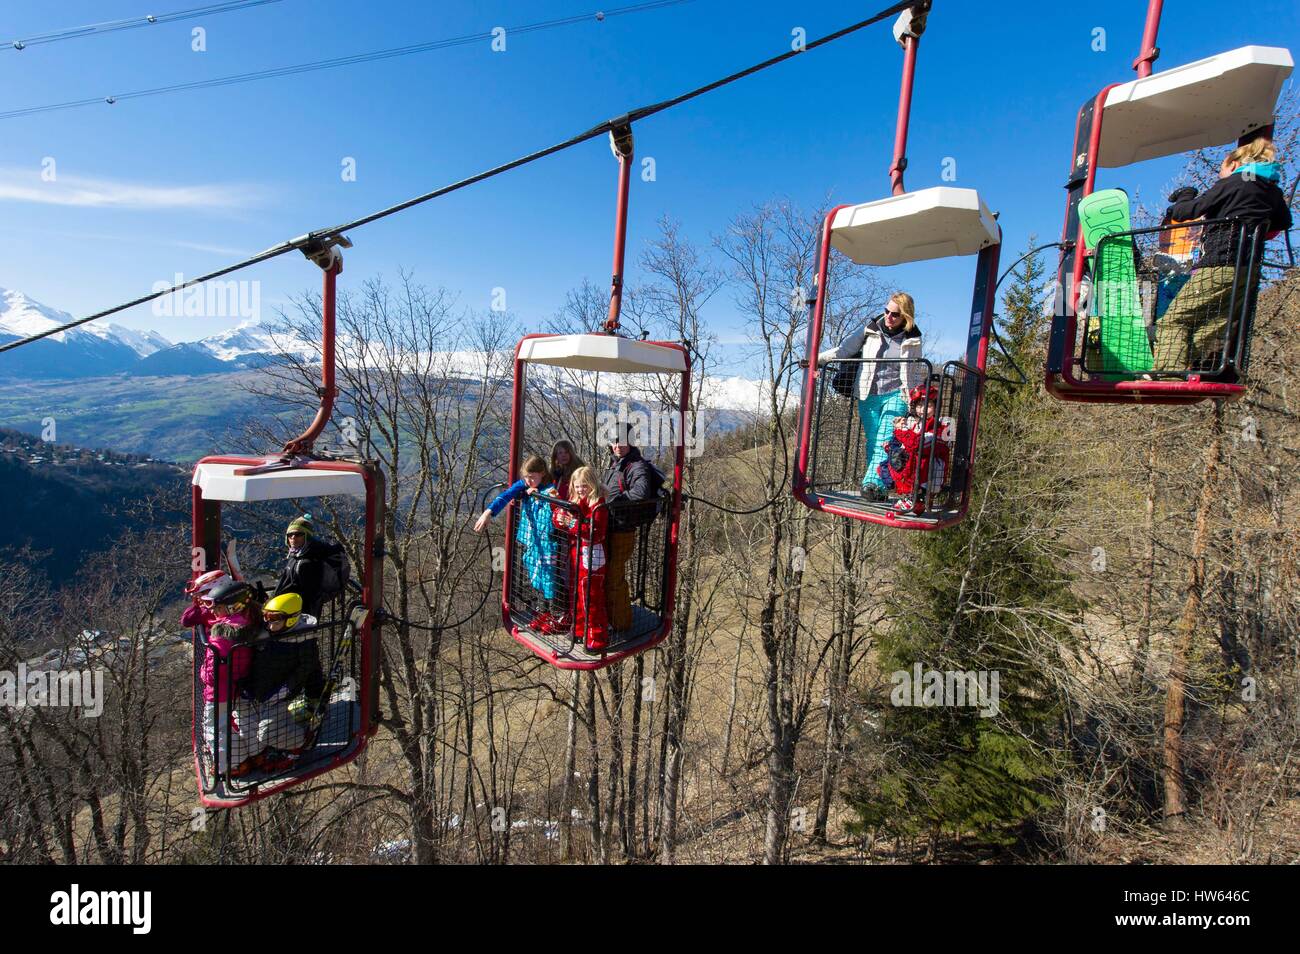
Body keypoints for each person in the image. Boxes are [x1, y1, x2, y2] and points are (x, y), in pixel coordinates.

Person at [1153, 138, 1292, 378]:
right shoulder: (1272, 189)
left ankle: (1166, 373)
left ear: (1235, 163)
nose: (1220, 174)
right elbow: (1283, 221)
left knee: (1174, 320)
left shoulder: (1235, 181)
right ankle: (1179, 366)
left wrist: (1184, 197)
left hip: (1219, 263)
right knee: (1210, 324)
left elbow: (1189, 211)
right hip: (1248, 269)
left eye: (1222, 168)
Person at [818, 292, 926, 501]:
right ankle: (880, 487)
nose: (888, 317)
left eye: (895, 314)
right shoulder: (870, 330)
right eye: (886, 311)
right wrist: (817, 359)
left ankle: (870, 484)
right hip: (868, 394)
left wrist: (915, 399)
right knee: (873, 440)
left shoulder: (912, 340)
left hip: (896, 395)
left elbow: (913, 371)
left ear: (905, 316)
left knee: (885, 439)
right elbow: (844, 350)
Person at [475, 455, 561, 629]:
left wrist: (540, 497)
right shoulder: (525, 484)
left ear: (542, 474)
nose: (529, 481)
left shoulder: (550, 490)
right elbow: (506, 495)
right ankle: (541, 612)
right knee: (535, 576)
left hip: (546, 543)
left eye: (532, 477)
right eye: (526, 477)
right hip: (532, 542)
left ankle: (553, 615)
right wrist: (488, 513)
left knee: (548, 577)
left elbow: (557, 504)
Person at [248, 592, 323, 772]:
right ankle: (284, 742)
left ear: (290, 620)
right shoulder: (272, 635)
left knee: (265, 733)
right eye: (267, 618)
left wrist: (285, 690)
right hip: (261, 693)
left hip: (279, 694)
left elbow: (307, 669)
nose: (269, 623)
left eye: (275, 620)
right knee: (254, 728)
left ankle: (301, 740)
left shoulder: (301, 641)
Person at [602, 424, 664, 632]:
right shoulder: (616, 464)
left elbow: (640, 494)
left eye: (623, 441)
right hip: (610, 527)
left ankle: (621, 624)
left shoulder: (636, 466)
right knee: (608, 575)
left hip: (623, 529)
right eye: (615, 441)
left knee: (614, 577)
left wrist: (614, 501)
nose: (619, 445)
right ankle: (611, 618)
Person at [200, 579, 258, 780]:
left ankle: (233, 764)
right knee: (245, 720)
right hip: (239, 684)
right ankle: (256, 755)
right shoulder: (250, 621)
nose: (213, 611)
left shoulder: (220, 637)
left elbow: (211, 673)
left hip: (219, 690)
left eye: (218, 607)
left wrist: (202, 671)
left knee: (214, 728)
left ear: (232, 607)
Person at [554, 466, 610, 652]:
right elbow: (566, 520)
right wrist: (560, 517)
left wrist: (571, 523)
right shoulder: (578, 501)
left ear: (592, 485)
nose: (580, 490)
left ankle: (598, 636)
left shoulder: (598, 504)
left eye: (584, 486)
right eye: (577, 486)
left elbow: (596, 533)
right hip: (578, 555)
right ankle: (579, 629)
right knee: (577, 594)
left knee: (591, 597)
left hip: (592, 557)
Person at [879, 381, 952, 514]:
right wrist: (891, 448)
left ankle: (916, 498)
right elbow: (909, 445)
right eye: (919, 406)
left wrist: (901, 431)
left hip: (931, 467)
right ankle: (914, 498)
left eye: (928, 406)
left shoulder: (942, 424)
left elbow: (917, 445)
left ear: (935, 407)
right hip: (917, 465)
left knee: (919, 461)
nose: (923, 410)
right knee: (887, 464)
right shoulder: (914, 423)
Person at [274, 514, 343, 620]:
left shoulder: (308, 562)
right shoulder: (297, 556)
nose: (293, 537)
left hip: (299, 616)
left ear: (307, 536)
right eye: (290, 534)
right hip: (287, 611)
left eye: (298, 534)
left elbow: (310, 596)